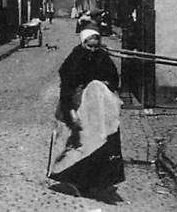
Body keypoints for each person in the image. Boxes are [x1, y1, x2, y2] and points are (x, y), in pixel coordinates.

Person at [48, 28, 125, 199]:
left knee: (103, 143)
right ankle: (77, 180)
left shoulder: (102, 57)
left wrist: (104, 84)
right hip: (79, 106)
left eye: (95, 47)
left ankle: (100, 181)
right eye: (89, 47)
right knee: (81, 143)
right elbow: (67, 86)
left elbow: (113, 78)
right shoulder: (75, 59)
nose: (92, 50)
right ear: (83, 43)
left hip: (99, 110)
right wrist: (71, 111)